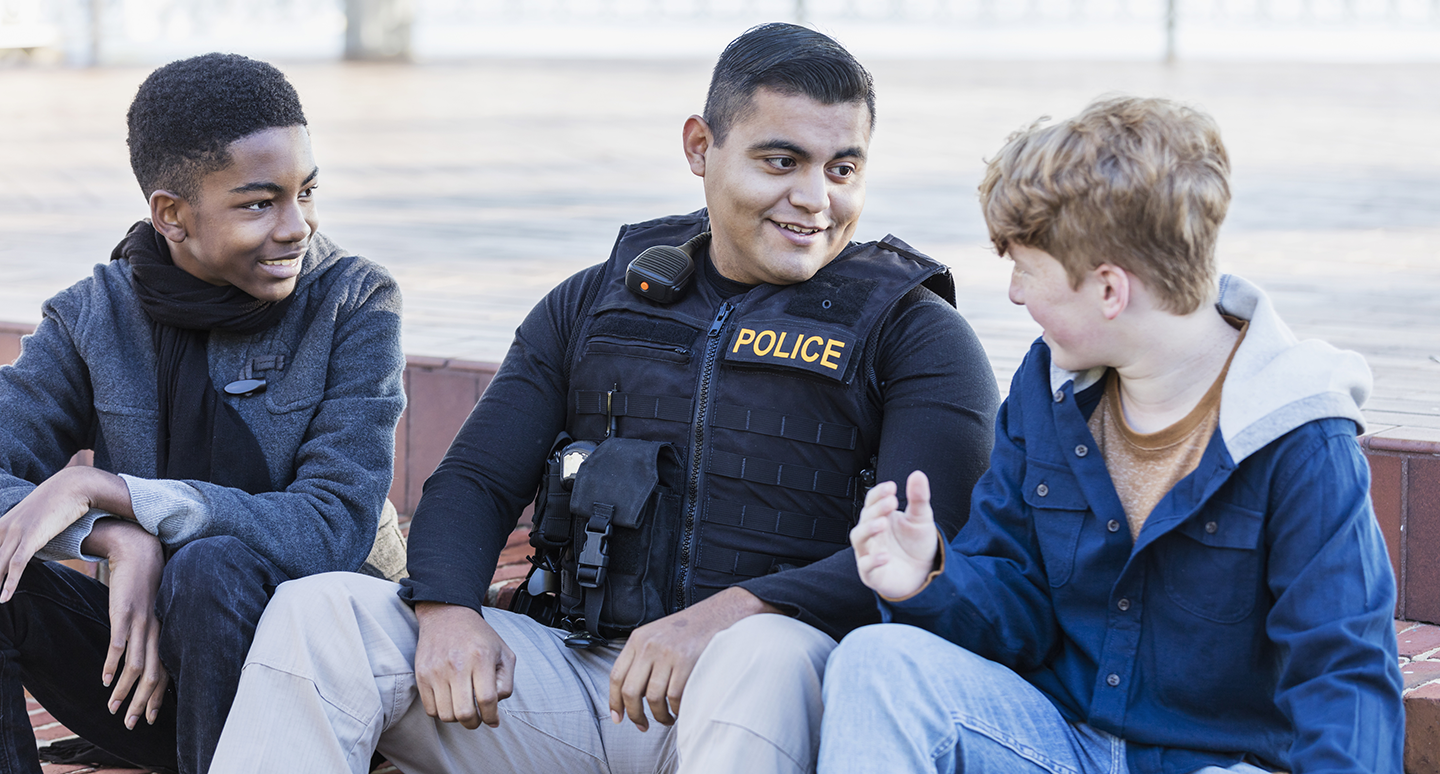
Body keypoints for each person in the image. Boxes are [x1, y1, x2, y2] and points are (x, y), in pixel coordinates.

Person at [211, 22, 1000, 774]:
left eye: (842, 169)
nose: (814, 200)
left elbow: (936, 548)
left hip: (766, 701)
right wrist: (446, 609)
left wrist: (729, 615)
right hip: (575, 683)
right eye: (781, 161)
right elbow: (476, 482)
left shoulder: (918, 336)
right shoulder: (594, 303)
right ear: (701, 146)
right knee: (321, 615)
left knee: (768, 652)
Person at [821, 95, 1404, 774]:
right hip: (1056, 740)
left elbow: (1345, 676)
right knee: (874, 662)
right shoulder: (1047, 389)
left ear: (1108, 291)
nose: (1014, 294)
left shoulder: (1301, 438)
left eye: (1026, 269)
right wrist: (930, 576)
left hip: (1215, 762)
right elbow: (1019, 607)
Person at [0, 53, 406, 774]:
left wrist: (126, 495)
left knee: (211, 567)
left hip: (321, 684)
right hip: (148, 670)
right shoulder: (92, 313)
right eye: (259, 203)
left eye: (306, 191)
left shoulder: (355, 301)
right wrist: (115, 538)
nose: (296, 226)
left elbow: (332, 527)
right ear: (172, 215)